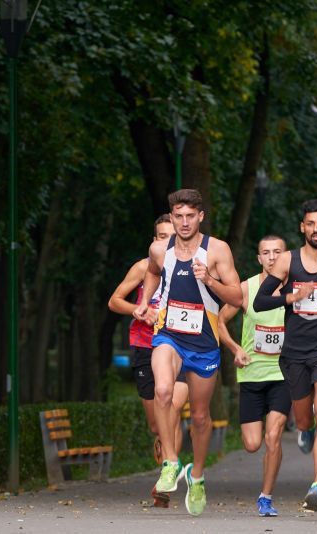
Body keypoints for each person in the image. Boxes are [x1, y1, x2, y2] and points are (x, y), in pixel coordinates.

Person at [133, 189, 243, 516]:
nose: (183, 222)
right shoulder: (159, 249)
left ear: (200, 217)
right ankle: (170, 461)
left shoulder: (218, 250)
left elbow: (237, 298)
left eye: (189, 216)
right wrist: (144, 302)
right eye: (177, 216)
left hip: (204, 342)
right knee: (163, 389)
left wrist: (209, 278)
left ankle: (197, 476)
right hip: (169, 334)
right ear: (172, 216)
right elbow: (152, 272)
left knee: (199, 417)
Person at [252, 198, 317, 512]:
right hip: (295, 354)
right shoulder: (286, 262)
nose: (316, 229)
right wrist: (293, 296)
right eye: (310, 223)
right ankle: (306, 431)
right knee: (304, 420)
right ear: (302, 227)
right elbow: (260, 302)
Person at [107, 214, 189, 507]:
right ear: (154, 241)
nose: (165, 241)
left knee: (173, 406)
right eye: (160, 236)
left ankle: (166, 478)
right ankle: (166, 455)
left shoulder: (189, 267)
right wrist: (138, 310)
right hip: (144, 347)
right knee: (157, 424)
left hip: (178, 348)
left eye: (171, 236)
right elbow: (114, 300)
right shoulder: (143, 267)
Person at [217, 235, 290, 517]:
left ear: (286, 257)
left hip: (283, 375)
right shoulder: (246, 289)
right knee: (252, 444)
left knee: (274, 436)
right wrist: (235, 348)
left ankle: (266, 496)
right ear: (259, 258)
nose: (272, 257)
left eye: (278, 252)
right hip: (251, 375)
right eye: (266, 253)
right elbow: (220, 321)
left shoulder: (295, 289)